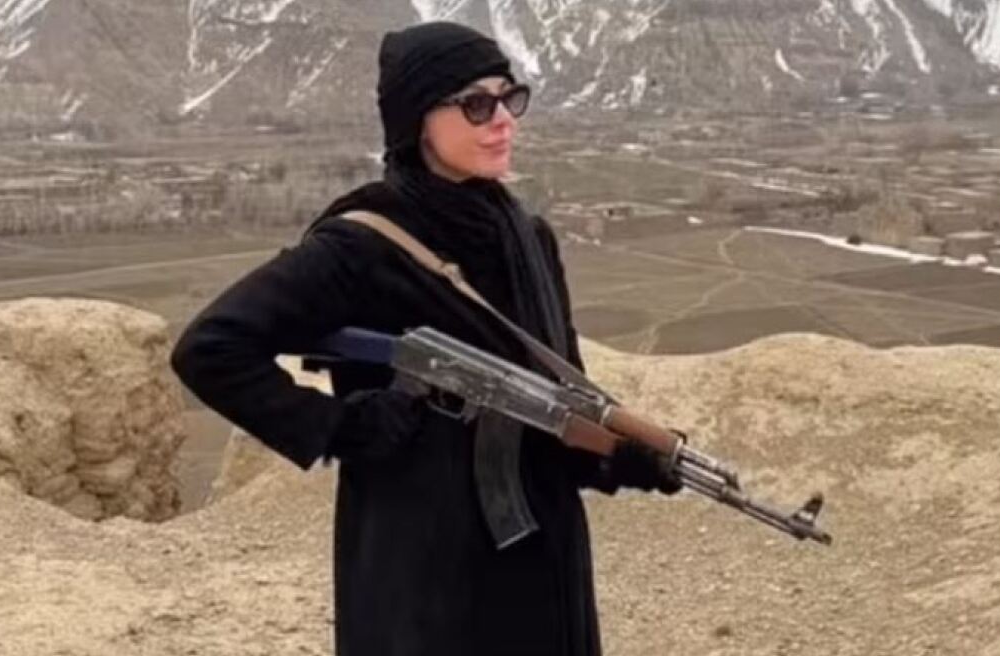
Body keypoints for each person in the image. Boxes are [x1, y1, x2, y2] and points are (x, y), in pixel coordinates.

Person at [171, 21, 680, 656]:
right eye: (476, 104)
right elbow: (211, 348)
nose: (503, 120)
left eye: (510, 98)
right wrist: (344, 426)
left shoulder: (529, 239)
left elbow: (556, 401)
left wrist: (614, 458)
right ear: (417, 119)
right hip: (422, 573)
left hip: (540, 560)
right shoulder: (362, 245)